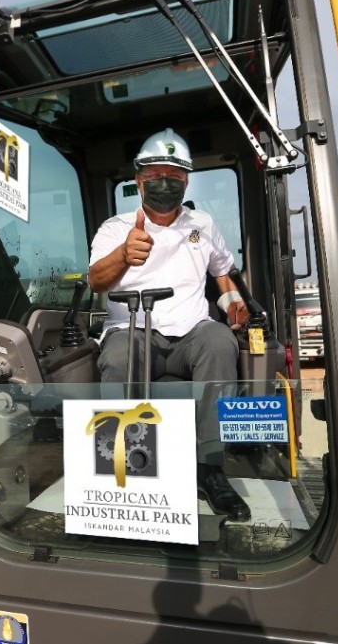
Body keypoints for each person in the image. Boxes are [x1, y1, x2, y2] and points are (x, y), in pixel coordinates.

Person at [87, 128, 251, 521]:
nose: (166, 183)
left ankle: (211, 470)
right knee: (117, 355)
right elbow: (96, 279)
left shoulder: (203, 224)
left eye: (174, 177)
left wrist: (232, 302)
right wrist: (125, 254)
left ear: (186, 181)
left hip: (191, 334)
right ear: (139, 179)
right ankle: (121, 470)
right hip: (134, 331)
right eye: (156, 176)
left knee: (219, 342)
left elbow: (223, 271)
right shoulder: (115, 227)